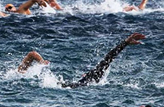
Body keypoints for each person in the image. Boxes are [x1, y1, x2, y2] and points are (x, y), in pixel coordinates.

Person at [17, 33, 145, 88]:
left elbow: (108, 58)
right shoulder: (91, 80)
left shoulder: (89, 79)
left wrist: (125, 43)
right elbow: (108, 59)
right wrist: (125, 43)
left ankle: (38, 64)